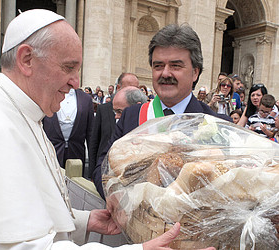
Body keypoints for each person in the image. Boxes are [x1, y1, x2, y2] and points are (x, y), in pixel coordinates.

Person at [0, 9, 209, 250]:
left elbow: (31, 215)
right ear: (27, 60)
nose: (76, 82)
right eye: (68, 67)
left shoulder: (22, 114)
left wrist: (83, 220)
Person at [93, 23, 232, 198]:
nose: (165, 73)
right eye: (158, 65)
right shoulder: (131, 116)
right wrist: (119, 199)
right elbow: (102, 168)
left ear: (195, 73)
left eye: (175, 66)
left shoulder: (217, 124)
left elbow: (227, 187)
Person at [88, 73, 140, 178]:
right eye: (129, 87)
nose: (133, 92)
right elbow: (94, 142)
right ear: (119, 88)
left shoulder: (142, 114)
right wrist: (92, 174)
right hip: (103, 172)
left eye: (136, 88)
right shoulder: (103, 110)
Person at [43, 87, 94, 173]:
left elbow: (90, 133)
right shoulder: (46, 94)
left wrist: (92, 169)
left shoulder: (86, 99)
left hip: (76, 155)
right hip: (51, 156)